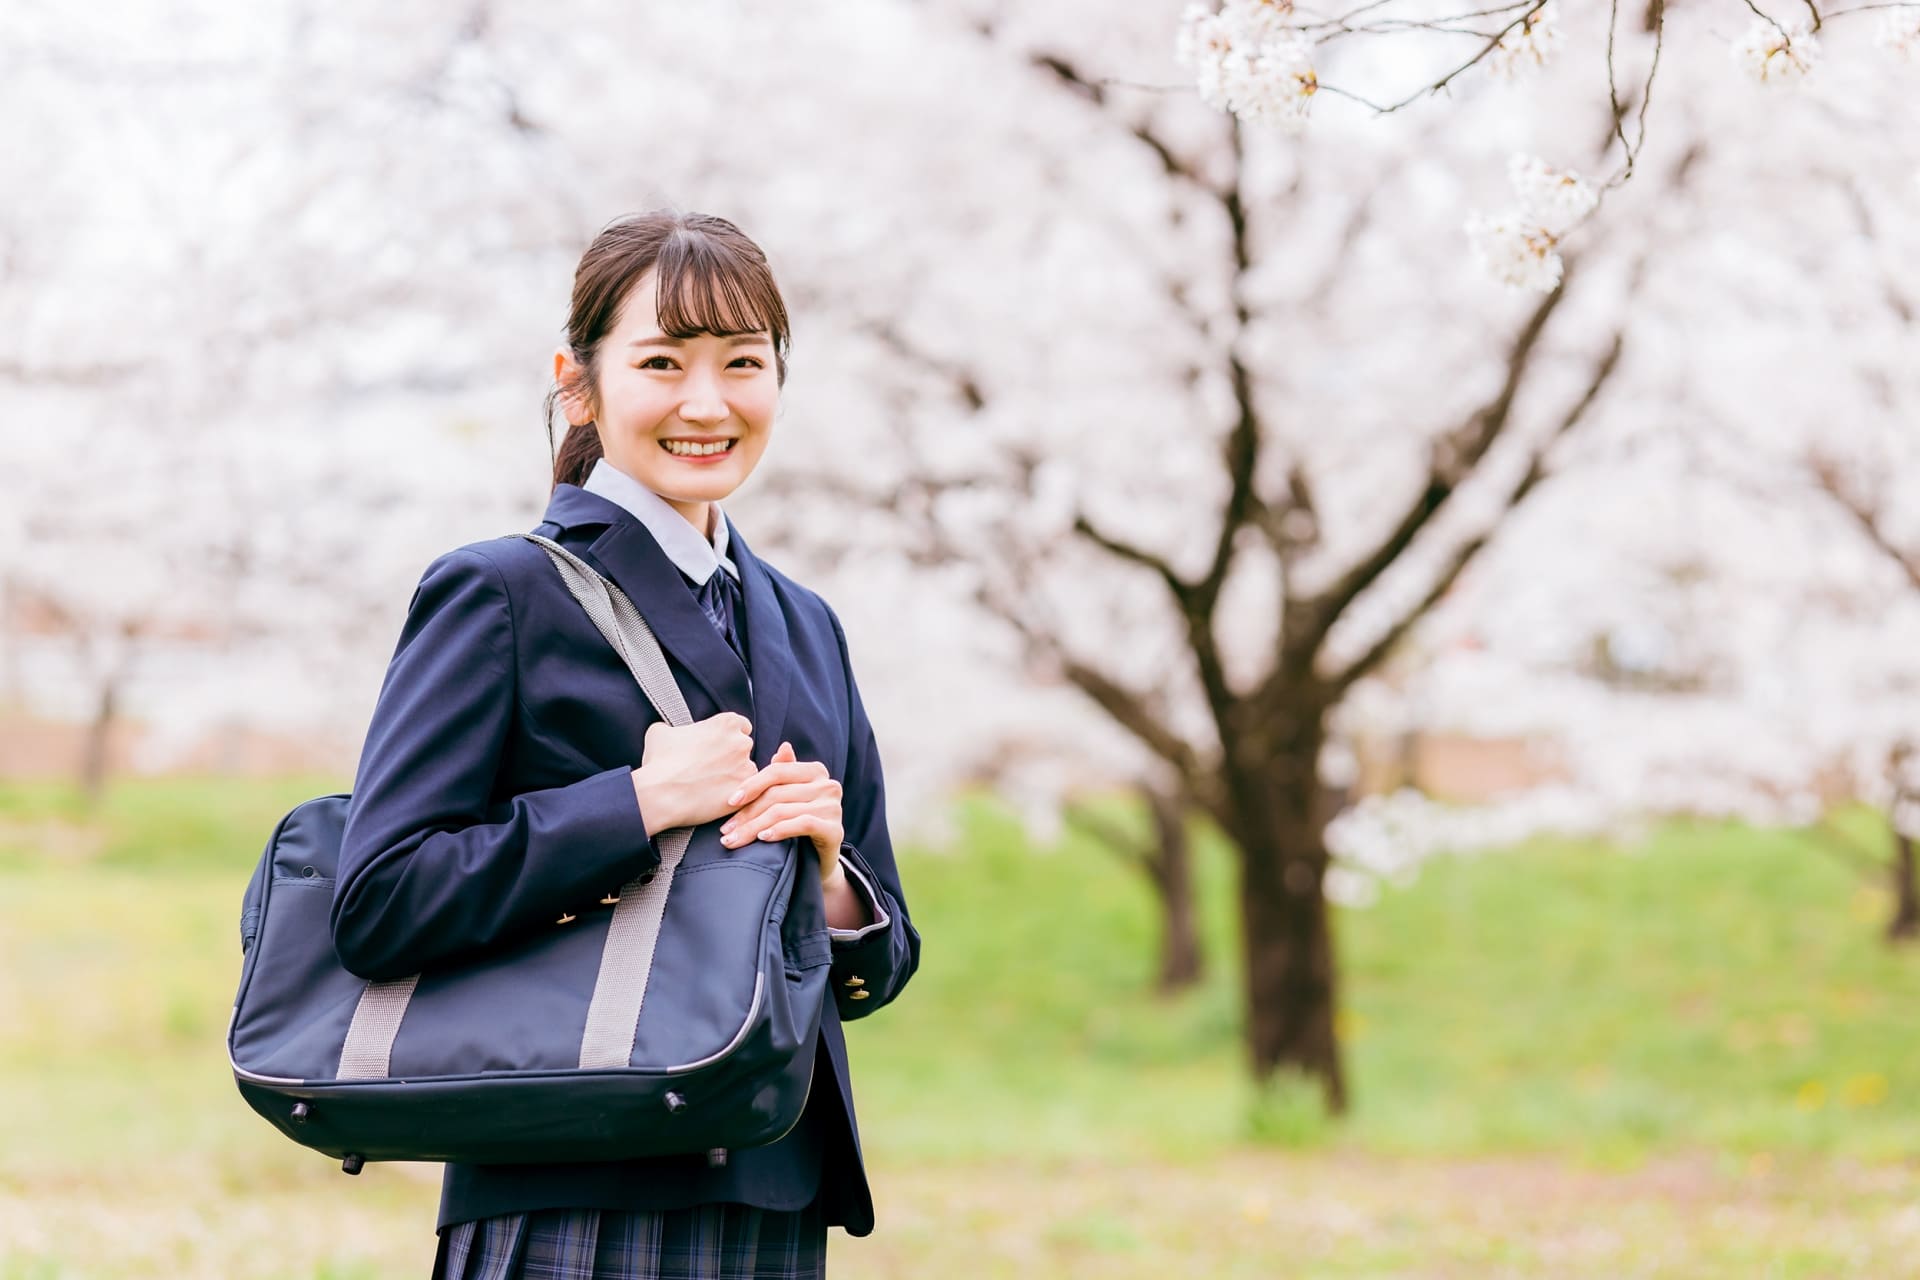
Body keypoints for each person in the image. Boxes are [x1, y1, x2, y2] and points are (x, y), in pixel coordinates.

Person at [329, 210, 920, 1279]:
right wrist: (634, 802)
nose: (709, 402)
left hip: (776, 1190)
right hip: (572, 1182)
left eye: (744, 361)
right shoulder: (502, 592)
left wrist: (833, 879)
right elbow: (380, 901)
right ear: (581, 381)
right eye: (663, 362)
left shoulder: (806, 621)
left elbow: (887, 953)